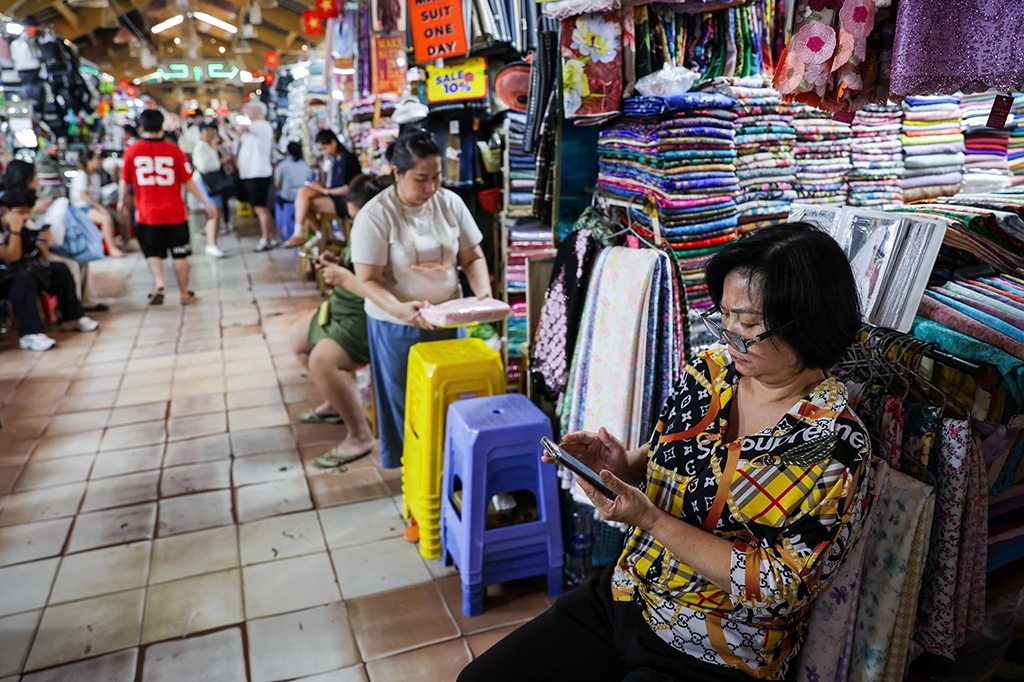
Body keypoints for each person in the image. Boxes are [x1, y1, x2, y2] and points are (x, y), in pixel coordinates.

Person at [458, 223, 873, 682]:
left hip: (718, 646)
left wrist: (652, 520)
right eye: (724, 317)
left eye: (749, 324)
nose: (729, 334)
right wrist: (622, 466)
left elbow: (780, 587)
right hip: (628, 594)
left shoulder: (834, 442)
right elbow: (667, 457)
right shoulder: (709, 372)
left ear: (809, 322)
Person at [352, 130, 493, 539]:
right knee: (410, 414)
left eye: (437, 177)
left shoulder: (449, 203)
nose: (431, 187)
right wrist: (401, 309)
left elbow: (473, 256)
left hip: (450, 321)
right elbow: (368, 280)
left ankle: (449, 483)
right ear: (396, 173)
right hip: (399, 327)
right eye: (421, 179)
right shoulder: (376, 215)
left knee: (456, 406)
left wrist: (481, 294)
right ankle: (417, 501)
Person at [288, 174, 392, 466]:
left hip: (368, 311)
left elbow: (376, 287)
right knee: (298, 338)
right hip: (345, 304)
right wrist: (339, 266)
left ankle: (360, 435)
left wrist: (343, 277)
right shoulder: (364, 225)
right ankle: (336, 402)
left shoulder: (382, 226)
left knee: (324, 361)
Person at [118, 108, 216, 306]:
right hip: (175, 212)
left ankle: (159, 281)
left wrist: (122, 201)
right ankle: (183, 294)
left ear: (141, 127)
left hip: (147, 212)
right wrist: (205, 203)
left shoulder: (132, 151)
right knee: (180, 253)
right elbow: (188, 181)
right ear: (162, 125)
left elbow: (125, 181)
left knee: (153, 252)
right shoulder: (173, 151)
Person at [0, 188, 99, 351]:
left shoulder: (27, 223)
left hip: (24, 272)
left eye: (27, 212)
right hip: (7, 279)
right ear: (5, 210)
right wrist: (15, 230)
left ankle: (72, 317)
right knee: (23, 279)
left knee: (60, 269)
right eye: (20, 212)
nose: (25, 217)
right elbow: (12, 256)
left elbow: (42, 258)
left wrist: (43, 243)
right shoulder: (8, 228)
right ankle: (30, 334)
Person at [282, 129, 361, 247]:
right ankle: (310, 233)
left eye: (324, 149)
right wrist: (321, 188)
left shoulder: (347, 159)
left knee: (304, 203)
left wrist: (324, 190)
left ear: (333, 143)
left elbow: (347, 188)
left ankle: (311, 233)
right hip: (335, 197)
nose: (324, 153)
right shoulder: (336, 160)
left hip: (345, 201)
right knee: (303, 194)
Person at [236, 101, 278, 252]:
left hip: (258, 173)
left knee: (260, 208)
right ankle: (270, 237)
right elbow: (238, 136)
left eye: (249, 109)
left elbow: (240, 128)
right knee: (262, 207)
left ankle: (265, 238)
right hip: (253, 173)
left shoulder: (261, 126)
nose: (248, 112)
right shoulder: (254, 130)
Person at [70, 149, 124, 258]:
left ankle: (124, 241)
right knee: (106, 218)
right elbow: (84, 195)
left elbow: (98, 197)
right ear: (89, 161)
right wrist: (100, 208)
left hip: (93, 206)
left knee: (120, 215)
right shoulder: (82, 175)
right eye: (96, 159)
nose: (99, 161)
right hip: (81, 208)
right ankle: (111, 248)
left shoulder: (96, 176)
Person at [191, 122, 228, 258]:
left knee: (216, 212)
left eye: (213, 130)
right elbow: (205, 166)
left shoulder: (210, 146)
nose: (210, 133)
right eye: (207, 130)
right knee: (213, 213)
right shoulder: (200, 147)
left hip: (212, 182)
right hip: (205, 183)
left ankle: (213, 243)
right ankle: (211, 244)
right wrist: (220, 162)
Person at [274, 141, 310, 239]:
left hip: (287, 197)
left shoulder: (283, 165)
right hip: (303, 197)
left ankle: (286, 230)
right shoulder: (305, 165)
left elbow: (277, 184)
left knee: (278, 196)